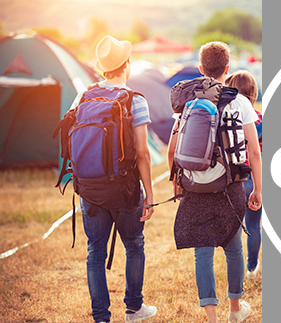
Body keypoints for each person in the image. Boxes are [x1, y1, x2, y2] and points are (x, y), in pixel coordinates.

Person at [167, 41, 262, 323]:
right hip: (229, 185)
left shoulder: (188, 100)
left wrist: (177, 182)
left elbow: (173, 149)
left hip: (195, 185)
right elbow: (254, 151)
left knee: (203, 251)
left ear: (200, 68)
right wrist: (257, 188)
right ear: (227, 68)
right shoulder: (240, 101)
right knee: (233, 248)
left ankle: (211, 317)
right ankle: (235, 310)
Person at [69, 35, 157, 323]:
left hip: (90, 189)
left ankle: (101, 317)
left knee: (94, 250)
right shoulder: (135, 101)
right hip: (124, 190)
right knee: (134, 244)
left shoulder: (83, 96)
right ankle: (134, 309)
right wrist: (150, 195)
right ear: (126, 65)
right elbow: (142, 153)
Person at [225, 70, 263, 280]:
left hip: (233, 177)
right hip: (252, 177)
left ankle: (236, 266)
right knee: (254, 224)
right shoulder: (259, 118)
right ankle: (251, 266)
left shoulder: (227, 115)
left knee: (234, 227)